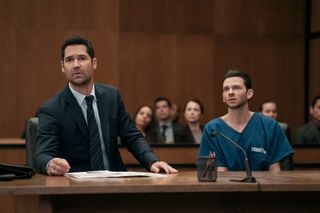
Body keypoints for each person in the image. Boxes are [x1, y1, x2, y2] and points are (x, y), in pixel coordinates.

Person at [35, 36, 177, 176]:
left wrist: (152, 161)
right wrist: (50, 164)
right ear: (62, 67)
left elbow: (132, 137)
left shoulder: (111, 97)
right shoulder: (51, 109)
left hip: (115, 183)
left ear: (94, 63)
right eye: (69, 60)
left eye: (82, 58)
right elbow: (42, 155)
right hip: (75, 188)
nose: (76, 65)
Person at [199, 70, 293, 171]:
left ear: (249, 93)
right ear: (223, 97)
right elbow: (221, 173)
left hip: (264, 185)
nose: (230, 92)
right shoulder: (212, 129)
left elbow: (275, 170)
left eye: (236, 88)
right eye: (226, 89)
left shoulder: (269, 126)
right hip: (227, 185)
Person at [260, 100, 293, 170]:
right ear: (260, 113)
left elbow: (286, 160)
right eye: (267, 111)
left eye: (274, 111)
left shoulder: (281, 129)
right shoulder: (256, 130)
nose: (271, 114)